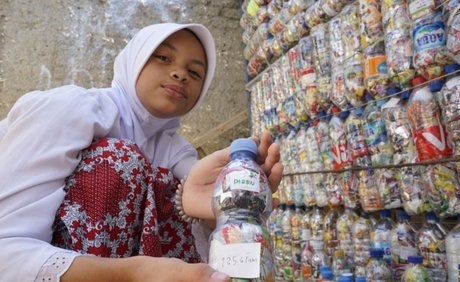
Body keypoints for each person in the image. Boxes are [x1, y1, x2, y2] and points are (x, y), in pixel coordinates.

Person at [0, 23, 283, 282]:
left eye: (194, 72)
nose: (180, 74)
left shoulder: (177, 152)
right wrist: (130, 274)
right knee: (121, 159)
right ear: (134, 60)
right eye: (163, 57)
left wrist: (222, 209)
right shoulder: (71, 110)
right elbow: (6, 253)